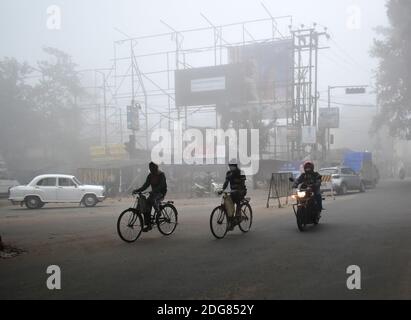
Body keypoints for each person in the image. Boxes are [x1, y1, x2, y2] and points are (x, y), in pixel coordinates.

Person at [133, 162, 167, 231]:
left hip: (161, 193)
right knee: (146, 207)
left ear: (155, 168)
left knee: (151, 200)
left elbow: (162, 185)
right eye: (150, 168)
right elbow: (145, 185)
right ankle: (148, 225)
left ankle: (158, 212)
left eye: (152, 168)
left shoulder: (161, 174)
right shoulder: (150, 176)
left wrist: (154, 190)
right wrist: (138, 190)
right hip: (153, 193)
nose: (151, 169)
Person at [218, 161, 247, 230]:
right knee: (229, 202)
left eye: (232, 166)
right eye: (230, 166)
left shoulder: (241, 172)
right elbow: (226, 182)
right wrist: (222, 190)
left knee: (237, 200)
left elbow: (242, 183)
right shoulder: (228, 173)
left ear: (235, 166)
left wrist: (237, 189)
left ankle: (238, 216)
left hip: (241, 191)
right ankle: (231, 221)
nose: (231, 167)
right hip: (233, 191)